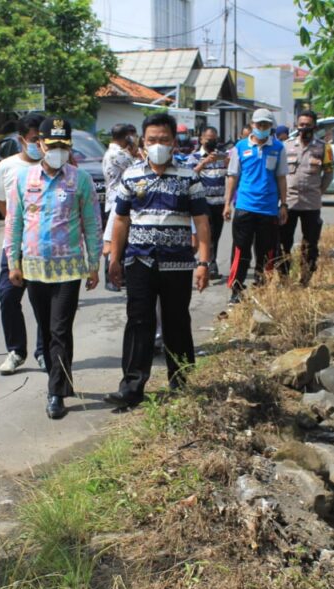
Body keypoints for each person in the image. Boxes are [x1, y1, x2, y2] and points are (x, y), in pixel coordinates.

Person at [105, 112, 211, 408]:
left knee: (177, 322)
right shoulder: (131, 176)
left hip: (177, 264)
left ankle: (182, 383)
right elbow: (121, 220)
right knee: (139, 322)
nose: (158, 145)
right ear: (142, 142)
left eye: (164, 140)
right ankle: (132, 388)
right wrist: (115, 259)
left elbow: (202, 222)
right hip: (140, 262)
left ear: (174, 142)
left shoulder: (189, 177)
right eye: (152, 140)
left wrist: (203, 263)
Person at [5, 117, 102, 420]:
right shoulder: (23, 179)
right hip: (34, 269)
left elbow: (91, 223)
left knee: (60, 330)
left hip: (69, 269)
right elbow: (14, 222)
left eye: (63, 145)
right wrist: (13, 261)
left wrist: (93, 263)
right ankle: (60, 380)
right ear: (40, 145)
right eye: (52, 144)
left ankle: (55, 392)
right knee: (46, 331)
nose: (57, 150)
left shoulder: (80, 180)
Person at [0, 113, 46, 374]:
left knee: (42, 301)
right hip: (15, 246)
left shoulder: (55, 165)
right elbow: (0, 201)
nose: (40, 144)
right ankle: (16, 350)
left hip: (44, 247)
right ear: (22, 140)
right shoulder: (8, 166)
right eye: (35, 139)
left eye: (43, 139)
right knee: (8, 296)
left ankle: (44, 351)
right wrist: (17, 227)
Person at [224, 108, 288, 304]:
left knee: (266, 252)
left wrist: (283, 204)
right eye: (259, 124)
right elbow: (232, 176)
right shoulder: (241, 147)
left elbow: (281, 178)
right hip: (244, 207)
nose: (262, 128)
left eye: (266, 125)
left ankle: (262, 287)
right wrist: (227, 204)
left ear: (271, 127)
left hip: (268, 209)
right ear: (252, 124)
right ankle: (237, 289)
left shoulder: (278, 148)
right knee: (240, 251)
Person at [281, 110, 334, 283]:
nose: (304, 128)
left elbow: (328, 173)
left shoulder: (324, 147)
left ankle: (305, 278)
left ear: (315, 126)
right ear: (297, 126)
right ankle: (284, 278)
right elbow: (279, 174)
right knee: (283, 242)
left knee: (310, 244)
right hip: (288, 202)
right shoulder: (285, 146)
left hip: (311, 203)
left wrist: (319, 191)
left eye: (308, 125)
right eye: (301, 125)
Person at [186, 126, 228, 280]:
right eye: (209, 139)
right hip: (203, 203)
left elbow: (231, 174)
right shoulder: (194, 157)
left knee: (216, 234)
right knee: (206, 233)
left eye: (214, 139)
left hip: (220, 202)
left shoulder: (222, 157)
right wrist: (203, 163)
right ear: (202, 139)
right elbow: (189, 175)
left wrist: (227, 161)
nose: (211, 141)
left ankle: (211, 261)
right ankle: (209, 263)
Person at [101, 122, 138, 292]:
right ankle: (110, 278)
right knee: (113, 239)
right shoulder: (118, 154)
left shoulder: (111, 152)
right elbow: (137, 168)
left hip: (114, 199)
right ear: (126, 137)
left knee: (117, 239)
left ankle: (118, 276)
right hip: (118, 201)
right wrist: (136, 151)